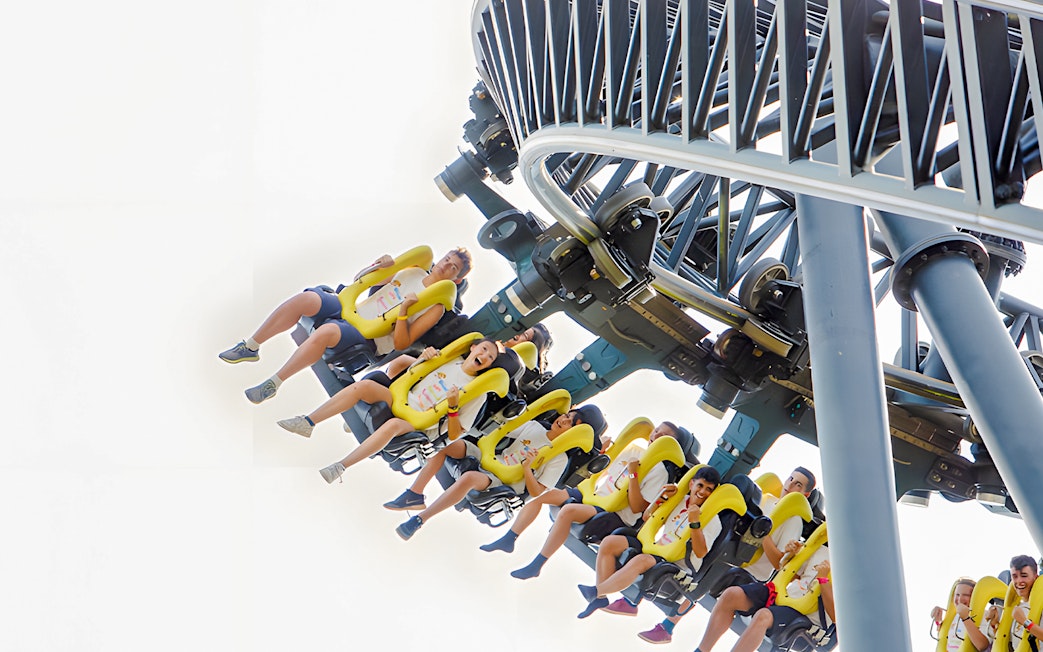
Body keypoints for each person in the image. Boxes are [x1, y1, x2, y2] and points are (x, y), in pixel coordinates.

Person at [218, 247, 472, 404]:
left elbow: (401, 344)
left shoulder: (436, 306)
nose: (446, 266)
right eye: (447, 259)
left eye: (453, 267)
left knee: (328, 331)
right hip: (351, 310)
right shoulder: (413, 272)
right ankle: (251, 346)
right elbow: (359, 280)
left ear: (456, 278)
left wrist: (404, 312)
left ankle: (274, 383)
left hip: (369, 337)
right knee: (307, 298)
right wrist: (377, 265)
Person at [275, 337, 520, 484]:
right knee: (363, 386)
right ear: (473, 347)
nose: (485, 355)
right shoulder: (448, 360)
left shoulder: (475, 393)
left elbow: (455, 434)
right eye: (484, 349)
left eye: (490, 356)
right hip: (403, 400)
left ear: (489, 366)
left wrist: (454, 407)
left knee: (393, 426)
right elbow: (411, 372)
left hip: (420, 423)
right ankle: (308, 422)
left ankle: (341, 466)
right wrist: (424, 359)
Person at [479, 421, 685, 581]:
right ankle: (509, 539)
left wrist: (634, 475)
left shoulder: (660, 472)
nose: (656, 435)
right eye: (657, 430)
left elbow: (638, 507)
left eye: (663, 436)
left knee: (568, 512)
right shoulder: (633, 451)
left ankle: (537, 565)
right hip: (594, 498)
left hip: (616, 516)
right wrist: (603, 449)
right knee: (540, 496)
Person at [638, 467, 816, 644]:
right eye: (790, 479)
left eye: (798, 484)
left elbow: (781, 564)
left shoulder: (793, 520)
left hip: (750, 572)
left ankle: (668, 626)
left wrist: (763, 535)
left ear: (805, 494)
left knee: (718, 565)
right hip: (732, 551)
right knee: (711, 551)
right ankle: (644, 596)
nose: (790, 485)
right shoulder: (768, 502)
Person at [389, 402, 603, 540]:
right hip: (492, 458)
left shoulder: (559, 458)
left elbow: (537, 492)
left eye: (570, 423)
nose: (563, 420)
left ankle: (420, 519)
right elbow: (505, 428)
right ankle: (414, 494)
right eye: (567, 415)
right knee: (445, 447)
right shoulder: (536, 427)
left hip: (504, 480)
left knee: (470, 478)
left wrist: (528, 469)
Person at [575, 465, 723, 619]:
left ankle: (597, 591)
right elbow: (647, 516)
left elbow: (700, 552)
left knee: (642, 560)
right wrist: (661, 498)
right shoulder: (678, 500)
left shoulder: (713, 520)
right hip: (657, 549)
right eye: (700, 485)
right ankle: (599, 599)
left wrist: (695, 523)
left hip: (677, 563)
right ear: (692, 484)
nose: (703, 492)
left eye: (708, 489)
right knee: (610, 542)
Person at [692, 538, 833, 652]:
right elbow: (791, 574)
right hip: (784, 598)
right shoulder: (821, 548)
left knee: (763, 616)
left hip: (807, 618)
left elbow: (836, 617)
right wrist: (790, 555)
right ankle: (702, 650)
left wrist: (824, 581)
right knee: (731, 595)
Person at [970, 555, 1041, 651]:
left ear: (1035, 577)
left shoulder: (1040, 607)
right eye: (1015, 577)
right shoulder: (1011, 609)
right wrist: (994, 624)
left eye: (1024, 576)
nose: (1019, 581)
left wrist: (1025, 622)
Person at [930, 578, 977, 652]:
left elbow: (983, 646)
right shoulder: (954, 617)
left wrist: (966, 618)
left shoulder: (983, 616)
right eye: (957, 594)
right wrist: (938, 621)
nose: (960, 599)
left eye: (966, 595)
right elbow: (945, 638)